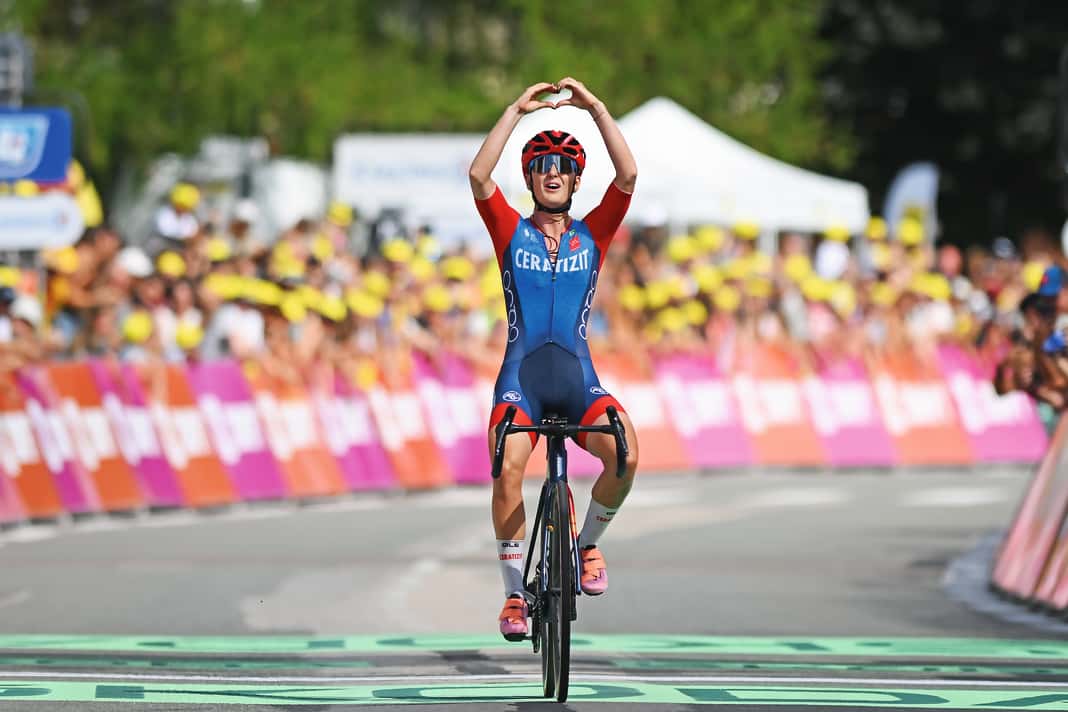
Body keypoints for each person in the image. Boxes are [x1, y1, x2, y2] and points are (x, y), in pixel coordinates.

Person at [468, 78, 640, 640]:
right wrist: (517, 110)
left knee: (627, 453)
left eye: (562, 168)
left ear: (573, 180)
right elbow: (477, 176)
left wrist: (596, 106)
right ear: (532, 177)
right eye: (542, 165)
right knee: (507, 466)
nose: (552, 173)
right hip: (522, 380)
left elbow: (629, 176)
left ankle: (586, 545)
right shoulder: (509, 229)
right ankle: (515, 593)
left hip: (576, 379)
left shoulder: (594, 232)